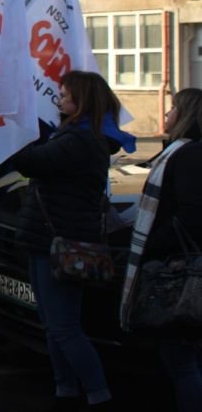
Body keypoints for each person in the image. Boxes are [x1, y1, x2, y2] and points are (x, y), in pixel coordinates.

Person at [10, 70, 135, 411]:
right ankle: (66, 390)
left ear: (83, 101)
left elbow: (32, 162)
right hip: (52, 242)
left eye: (65, 95)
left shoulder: (81, 140)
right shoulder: (76, 135)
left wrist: (7, 132)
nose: (59, 99)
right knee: (54, 326)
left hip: (61, 245)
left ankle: (98, 394)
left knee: (63, 327)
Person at [121, 87, 202, 411]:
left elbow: (191, 217)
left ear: (186, 116)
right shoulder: (181, 152)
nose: (166, 115)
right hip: (182, 267)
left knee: (182, 362)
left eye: (172, 110)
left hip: (180, 273)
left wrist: (151, 244)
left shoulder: (188, 156)